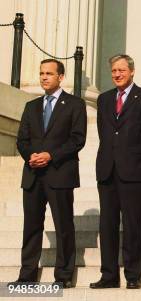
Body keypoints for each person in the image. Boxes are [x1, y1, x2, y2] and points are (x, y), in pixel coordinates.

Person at [12, 59, 87, 288]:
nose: (44, 77)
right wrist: (31, 156)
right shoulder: (31, 106)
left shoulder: (75, 104)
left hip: (60, 173)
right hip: (33, 175)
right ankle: (27, 275)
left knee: (63, 225)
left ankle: (63, 275)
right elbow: (22, 140)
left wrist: (50, 155)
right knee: (31, 226)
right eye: (42, 73)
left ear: (60, 77)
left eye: (49, 74)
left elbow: (77, 139)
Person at [90, 54, 141, 289]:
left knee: (132, 224)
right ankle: (108, 275)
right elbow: (104, 131)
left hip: (133, 171)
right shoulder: (104, 99)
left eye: (121, 70)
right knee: (107, 224)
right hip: (107, 169)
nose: (117, 74)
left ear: (132, 71)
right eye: (113, 71)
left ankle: (132, 275)